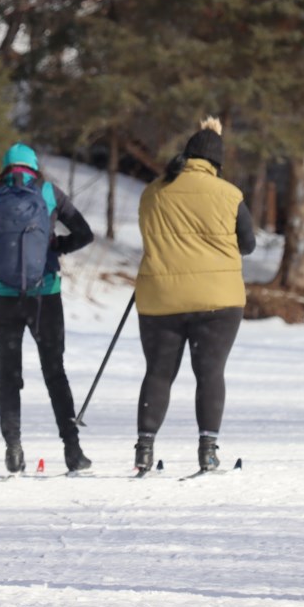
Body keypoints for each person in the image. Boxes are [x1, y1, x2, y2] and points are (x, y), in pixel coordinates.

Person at [0, 143, 94, 474]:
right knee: (54, 371)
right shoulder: (48, 192)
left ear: (6, 168)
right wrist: (55, 247)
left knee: (9, 372)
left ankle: (13, 450)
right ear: (33, 168)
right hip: (44, 295)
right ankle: (72, 450)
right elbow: (84, 234)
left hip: (2, 296)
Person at [132, 117, 256, 474]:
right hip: (218, 302)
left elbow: (148, 234)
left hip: (161, 297)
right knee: (210, 373)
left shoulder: (152, 191)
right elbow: (247, 244)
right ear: (217, 164)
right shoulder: (230, 195)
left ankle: (143, 448)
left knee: (157, 373)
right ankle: (207, 449)